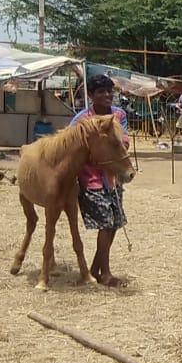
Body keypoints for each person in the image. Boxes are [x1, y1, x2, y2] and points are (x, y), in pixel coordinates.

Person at [70, 74, 131, 288]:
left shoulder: (119, 115)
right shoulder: (82, 120)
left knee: (114, 224)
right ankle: (105, 275)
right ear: (91, 95)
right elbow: (71, 145)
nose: (106, 95)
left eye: (109, 91)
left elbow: (123, 141)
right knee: (105, 224)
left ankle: (95, 269)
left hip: (113, 179)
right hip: (91, 179)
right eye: (101, 92)